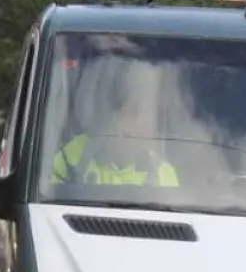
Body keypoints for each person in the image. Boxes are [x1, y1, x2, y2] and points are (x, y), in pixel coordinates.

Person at [50, 56, 181, 187]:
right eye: (118, 110)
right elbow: (49, 197)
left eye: (135, 113)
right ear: (105, 113)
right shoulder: (72, 157)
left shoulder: (163, 176)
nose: (124, 127)